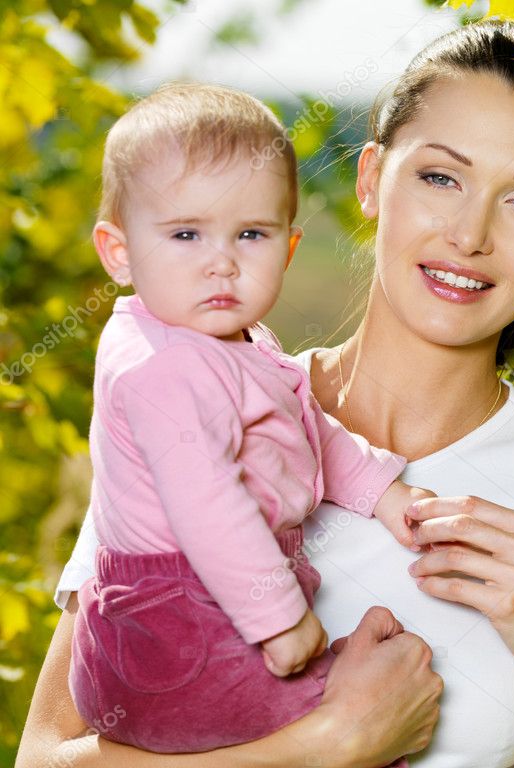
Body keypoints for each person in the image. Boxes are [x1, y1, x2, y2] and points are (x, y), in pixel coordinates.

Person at [16, 19, 514, 768]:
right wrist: (329, 745)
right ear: (370, 180)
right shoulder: (200, 401)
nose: (470, 235)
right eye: (440, 178)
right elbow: (45, 757)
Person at [69, 83, 433, 760]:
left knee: (359, 701)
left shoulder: (229, 339)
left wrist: (383, 493)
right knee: (370, 728)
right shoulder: (162, 366)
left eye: (251, 234)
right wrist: (280, 619)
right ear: (118, 252)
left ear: (288, 248)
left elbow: (305, 423)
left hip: (201, 615)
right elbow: (207, 505)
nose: (222, 262)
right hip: (178, 628)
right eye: (185, 234)